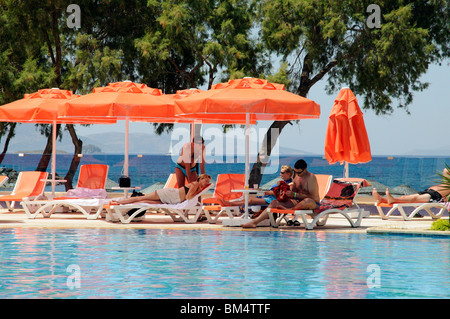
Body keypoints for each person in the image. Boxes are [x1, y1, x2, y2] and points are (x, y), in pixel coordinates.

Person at [242, 159, 320, 228]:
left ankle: (290, 209)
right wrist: (284, 187)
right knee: (274, 202)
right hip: (298, 201)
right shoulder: (296, 176)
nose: (297, 174)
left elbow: (312, 196)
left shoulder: (311, 178)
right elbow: (294, 191)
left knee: (307, 201)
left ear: (305, 169)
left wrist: (295, 195)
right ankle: (254, 222)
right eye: (295, 172)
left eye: (299, 172)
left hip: (312, 203)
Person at [111, 174, 211, 205]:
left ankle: (124, 200)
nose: (206, 183)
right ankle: (119, 202)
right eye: (205, 181)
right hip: (168, 195)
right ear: (201, 179)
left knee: (145, 201)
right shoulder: (195, 185)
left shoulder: (197, 187)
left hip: (171, 199)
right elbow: (189, 196)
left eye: (207, 182)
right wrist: (199, 192)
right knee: (140, 199)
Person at [218, 165, 293, 207]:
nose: (280, 174)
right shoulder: (283, 182)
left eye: (282, 173)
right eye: (280, 172)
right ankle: (229, 203)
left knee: (251, 200)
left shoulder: (289, 184)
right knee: (248, 199)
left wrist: (268, 193)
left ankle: (230, 204)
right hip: (269, 198)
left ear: (288, 174)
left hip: (272, 200)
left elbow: (282, 193)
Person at [372, 168, 450, 204]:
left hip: (436, 197)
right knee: (404, 197)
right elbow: (446, 170)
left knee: (413, 198)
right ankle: (382, 199)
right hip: (430, 192)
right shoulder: (447, 183)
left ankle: (391, 199)